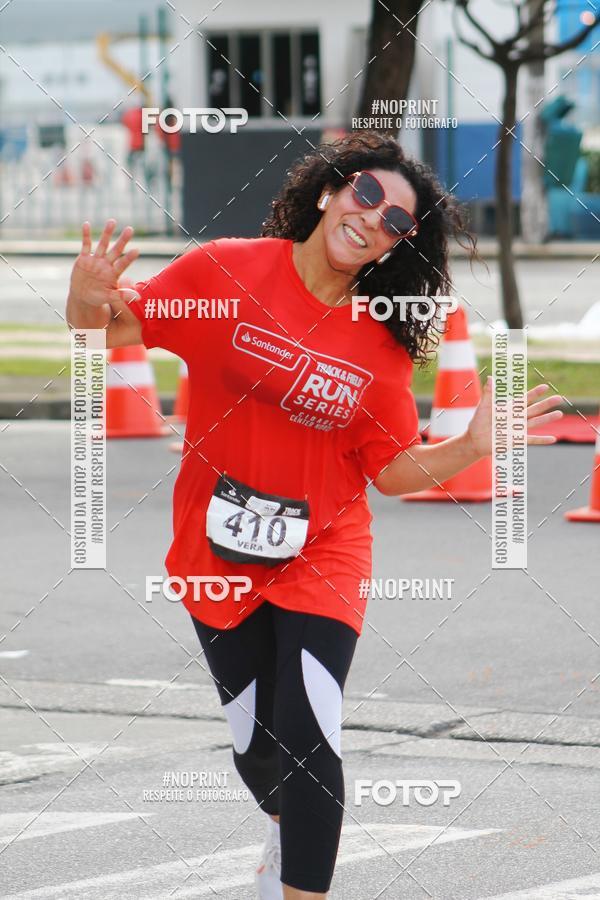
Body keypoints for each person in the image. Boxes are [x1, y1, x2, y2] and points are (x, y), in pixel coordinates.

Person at [66, 131, 562, 900]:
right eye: (366, 194)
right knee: (258, 755)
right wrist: (82, 292)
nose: (373, 219)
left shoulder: (380, 345)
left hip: (323, 553)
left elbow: (392, 474)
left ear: (394, 249)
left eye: (396, 222)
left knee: (308, 740)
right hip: (217, 550)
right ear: (331, 191)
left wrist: (468, 445)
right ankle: (285, 825)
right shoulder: (224, 272)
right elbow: (99, 333)